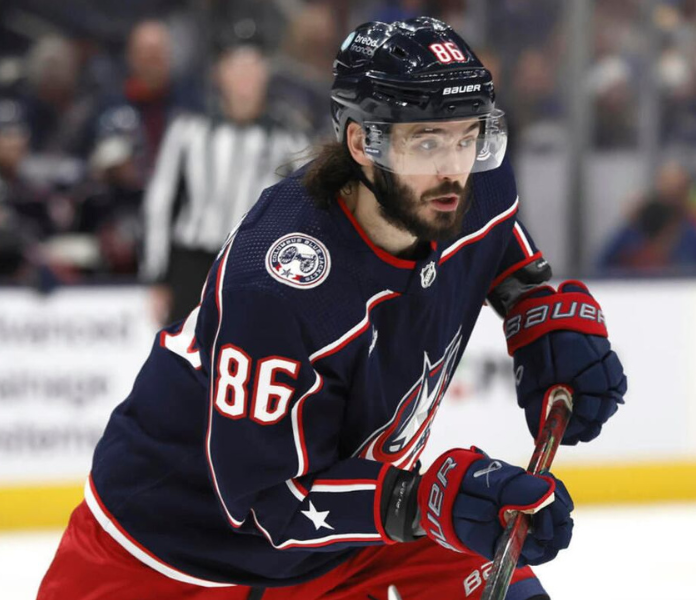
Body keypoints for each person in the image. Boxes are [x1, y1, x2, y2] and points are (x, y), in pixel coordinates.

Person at [38, 17, 627, 600]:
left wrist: (535, 314)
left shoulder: (470, 183)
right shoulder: (278, 287)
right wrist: (425, 503)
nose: (454, 167)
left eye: (469, 135)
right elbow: (268, 503)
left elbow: (496, 242)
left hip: (355, 530)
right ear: (361, 143)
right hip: (173, 562)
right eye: (426, 141)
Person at [140, 40, 309, 325]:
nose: (245, 77)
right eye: (236, 67)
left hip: (257, 262)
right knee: (186, 356)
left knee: (251, 353)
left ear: (265, 73)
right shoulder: (188, 130)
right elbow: (160, 201)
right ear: (219, 74)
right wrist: (156, 275)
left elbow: (309, 206)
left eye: (253, 67)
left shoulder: (289, 137)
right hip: (194, 262)